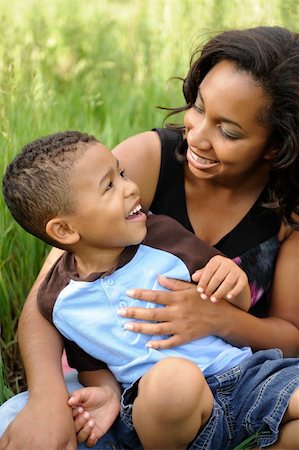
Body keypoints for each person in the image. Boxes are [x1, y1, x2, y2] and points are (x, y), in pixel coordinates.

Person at [0, 25, 299, 450]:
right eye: (197, 107)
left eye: (228, 132)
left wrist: (220, 319)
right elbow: (45, 298)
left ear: (275, 145)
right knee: (14, 425)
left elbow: (291, 338)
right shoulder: (146, 159)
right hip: (129, 386)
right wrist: (47, 403)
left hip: (237, 377)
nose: (195, 136)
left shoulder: (288, 211)